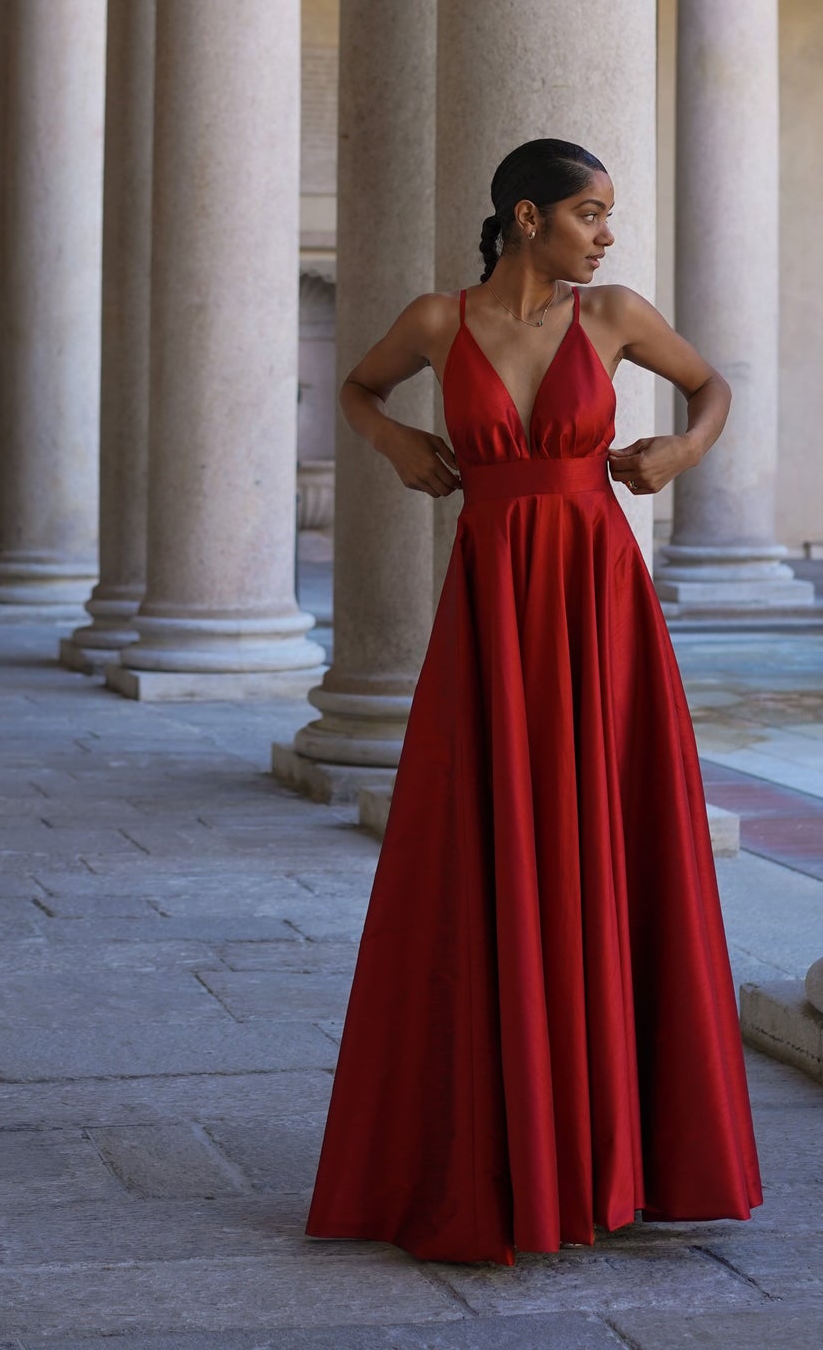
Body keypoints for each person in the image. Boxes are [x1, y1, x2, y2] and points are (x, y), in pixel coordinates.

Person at [305, 137, 762, 1266]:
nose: (607, 233)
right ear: (526, 217)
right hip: (491, 601)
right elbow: (356, 390)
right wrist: (401, 441)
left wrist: (680, 454)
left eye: (608, 216)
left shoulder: (612, 316)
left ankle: (613, 1150)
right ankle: (499, 1142)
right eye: (591, 213)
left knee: (608, 833)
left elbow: (712, 386)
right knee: (482, 844)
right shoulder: (434, 319)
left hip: (599, 604)